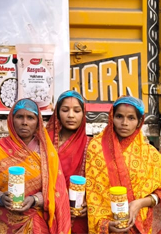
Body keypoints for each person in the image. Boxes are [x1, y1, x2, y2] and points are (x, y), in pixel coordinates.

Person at [0, 98, 72, 234]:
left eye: (30, 118)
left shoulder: (47, 153)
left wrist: (34, 200)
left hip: (36, 222)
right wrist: (1, 198)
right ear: (11, 120)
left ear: (38, 123)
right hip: (4, 223)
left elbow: (56, 190)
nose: (24, 122)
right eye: (19, 117)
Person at [85, 96, 161, 234]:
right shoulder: (96, 147)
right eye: (119, 116)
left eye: (131, 118)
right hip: (107, 225)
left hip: (139, 224)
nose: (124, 123)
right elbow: (92, 193)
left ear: (139, 122)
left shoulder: (150, 154)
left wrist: (140, 203)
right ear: (112, 117)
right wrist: (105, 225)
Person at [46, 90, 90, 233]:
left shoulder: (92, 145)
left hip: (77, 216)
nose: (71, 115)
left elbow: (99, 182)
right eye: (65, 110)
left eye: (77, 110)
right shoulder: (45, 142)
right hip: (47, 210)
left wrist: (89, 204)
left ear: (83, 114)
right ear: (57, 113)